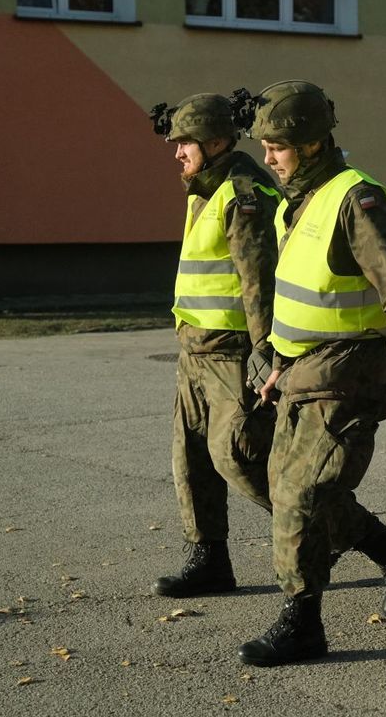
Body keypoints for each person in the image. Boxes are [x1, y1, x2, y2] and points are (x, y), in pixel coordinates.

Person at [238, 80, 386, 667]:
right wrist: (276, 357)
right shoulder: (297, 200)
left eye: (278, 145)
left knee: (302, 493)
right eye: (266, 145)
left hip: (351, 366)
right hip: (304, 366)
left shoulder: (355, 198)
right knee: (288, 488)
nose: (268, 156)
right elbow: (304, 295)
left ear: (313, 143)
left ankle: (303, 623)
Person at [147, 92, 281, 597]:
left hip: (232, 353)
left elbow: (258, 280)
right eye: (175, 142)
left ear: (217, 141)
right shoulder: (205, 188)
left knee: (240, 459)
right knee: (192, 460)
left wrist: (266, 352)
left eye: (186, 142)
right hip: (196, 351)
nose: (177, 153)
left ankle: (341, 533)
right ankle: (210, 560)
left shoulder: (243, 192)